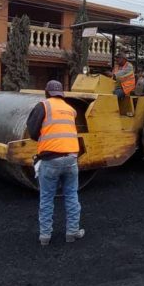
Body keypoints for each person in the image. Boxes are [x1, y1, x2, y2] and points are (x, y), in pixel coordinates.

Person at [26, 80, 85, 246]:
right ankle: (72, 232)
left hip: (50, 160)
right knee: (72, 195)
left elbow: (32, 129)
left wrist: (43, 140)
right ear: (62, 93)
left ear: (47, 92)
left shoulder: (43, 106)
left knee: (46, 198)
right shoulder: (70, 109)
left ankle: (45, 236)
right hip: (71, 159)